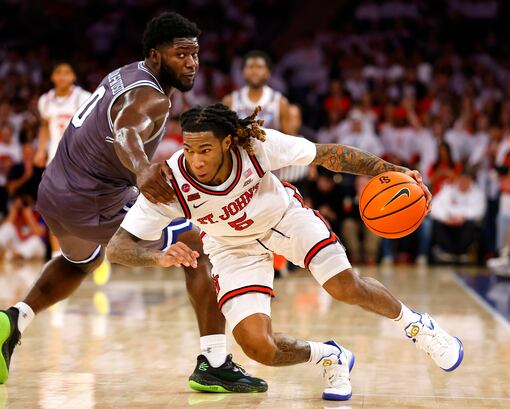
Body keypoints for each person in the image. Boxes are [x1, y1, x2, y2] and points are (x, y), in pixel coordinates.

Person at [0, 13, 265, 393]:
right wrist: (143, 168)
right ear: (156, 56)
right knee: (199, 240)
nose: (192, 63)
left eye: (195, 54)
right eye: (181, 55)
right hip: (91, 198)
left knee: (80, 260)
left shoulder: (125, 73)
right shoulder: (150, 95)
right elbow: (127, 129)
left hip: (54, 193)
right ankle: (214, 363)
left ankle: (16, 318)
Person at [107, 104, 464, 401]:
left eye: (205, 150)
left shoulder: (258, 148)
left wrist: (390, 170)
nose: (195, 160)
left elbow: (330, 155)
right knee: (257, 347)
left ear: (228, 142)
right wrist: (157, 256)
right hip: (233, 248)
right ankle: (329, 357)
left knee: (344, 286)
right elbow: (118, 247)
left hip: (284, 220)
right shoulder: (169, 185)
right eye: (188, 150)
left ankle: (418, 326)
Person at [34, 62, 91, 167]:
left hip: (79, 158)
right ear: (52, 76)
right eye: (58, 72)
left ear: (73, 76)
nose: (62, 76)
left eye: (67, 72)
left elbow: (92, 130)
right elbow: (45, 126)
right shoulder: (45, 100)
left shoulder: (84, 97)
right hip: (54, 156)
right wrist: (41, 151)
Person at [223, 50, 289, 131]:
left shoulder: (280, 102)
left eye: (259, 67)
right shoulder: (230, 101)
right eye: (250, 67)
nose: (254, 71)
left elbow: (288, 139)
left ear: (268, 72)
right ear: (243, 72)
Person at [430, 171, 486, 262]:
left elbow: (479, 211)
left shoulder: (477, 193)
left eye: (465, 180)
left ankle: (462, 252)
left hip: (465, 222)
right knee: (437, 222)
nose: (463, 183)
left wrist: (463, 217)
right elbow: (434, 206)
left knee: (470, 225)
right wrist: (445, 218)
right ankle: (446, 252)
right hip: (448, 221)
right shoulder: (448, 190)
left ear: (470, 181)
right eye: (461, 180)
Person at [0, 195, 47, 261]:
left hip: (35, 248)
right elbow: (4, 229)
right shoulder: (15, 213)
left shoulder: (39, 212)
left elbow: (40, 233)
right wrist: (14, 211)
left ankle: (11, 256)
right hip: (17, 246)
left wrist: (28, 214)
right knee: (8, 227)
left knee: (35, 241)